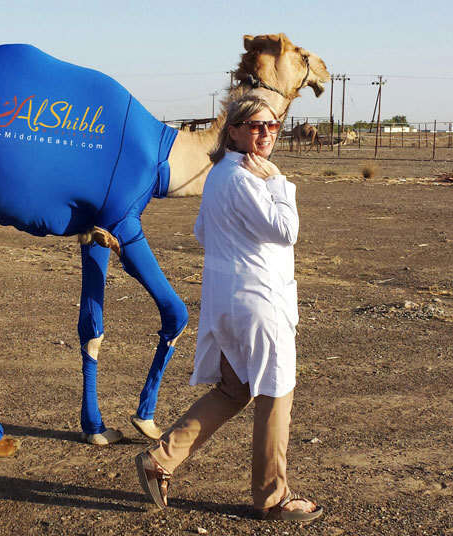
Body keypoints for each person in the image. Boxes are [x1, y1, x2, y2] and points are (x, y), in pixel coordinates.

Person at [134, 89, 323, 522]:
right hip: (260, 303)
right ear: (234, 131)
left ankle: (161, 459)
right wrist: (277, 182)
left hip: (230, 300)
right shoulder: (247, 178)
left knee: (235, 389)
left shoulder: (219, 174)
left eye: (272, 125)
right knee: (276, 394)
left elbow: (203, 230)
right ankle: (272, 498)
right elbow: (286, 229)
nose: (266, 133)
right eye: (255, 126)